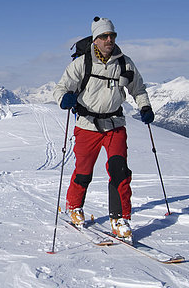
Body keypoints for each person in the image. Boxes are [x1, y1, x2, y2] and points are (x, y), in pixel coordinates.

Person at [53, 16, 154, 240]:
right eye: (104, 36)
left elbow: (139, 89)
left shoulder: (125, 63)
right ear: (95, 40)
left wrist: (145, 107)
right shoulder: (82, 63)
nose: (109, 39)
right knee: (84, 171)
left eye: (112, 35)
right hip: (87, 125)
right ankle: (74, 206)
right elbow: (61, 88)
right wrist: (64, 99)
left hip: (115, 124)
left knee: (120, 171)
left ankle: (120, 219)